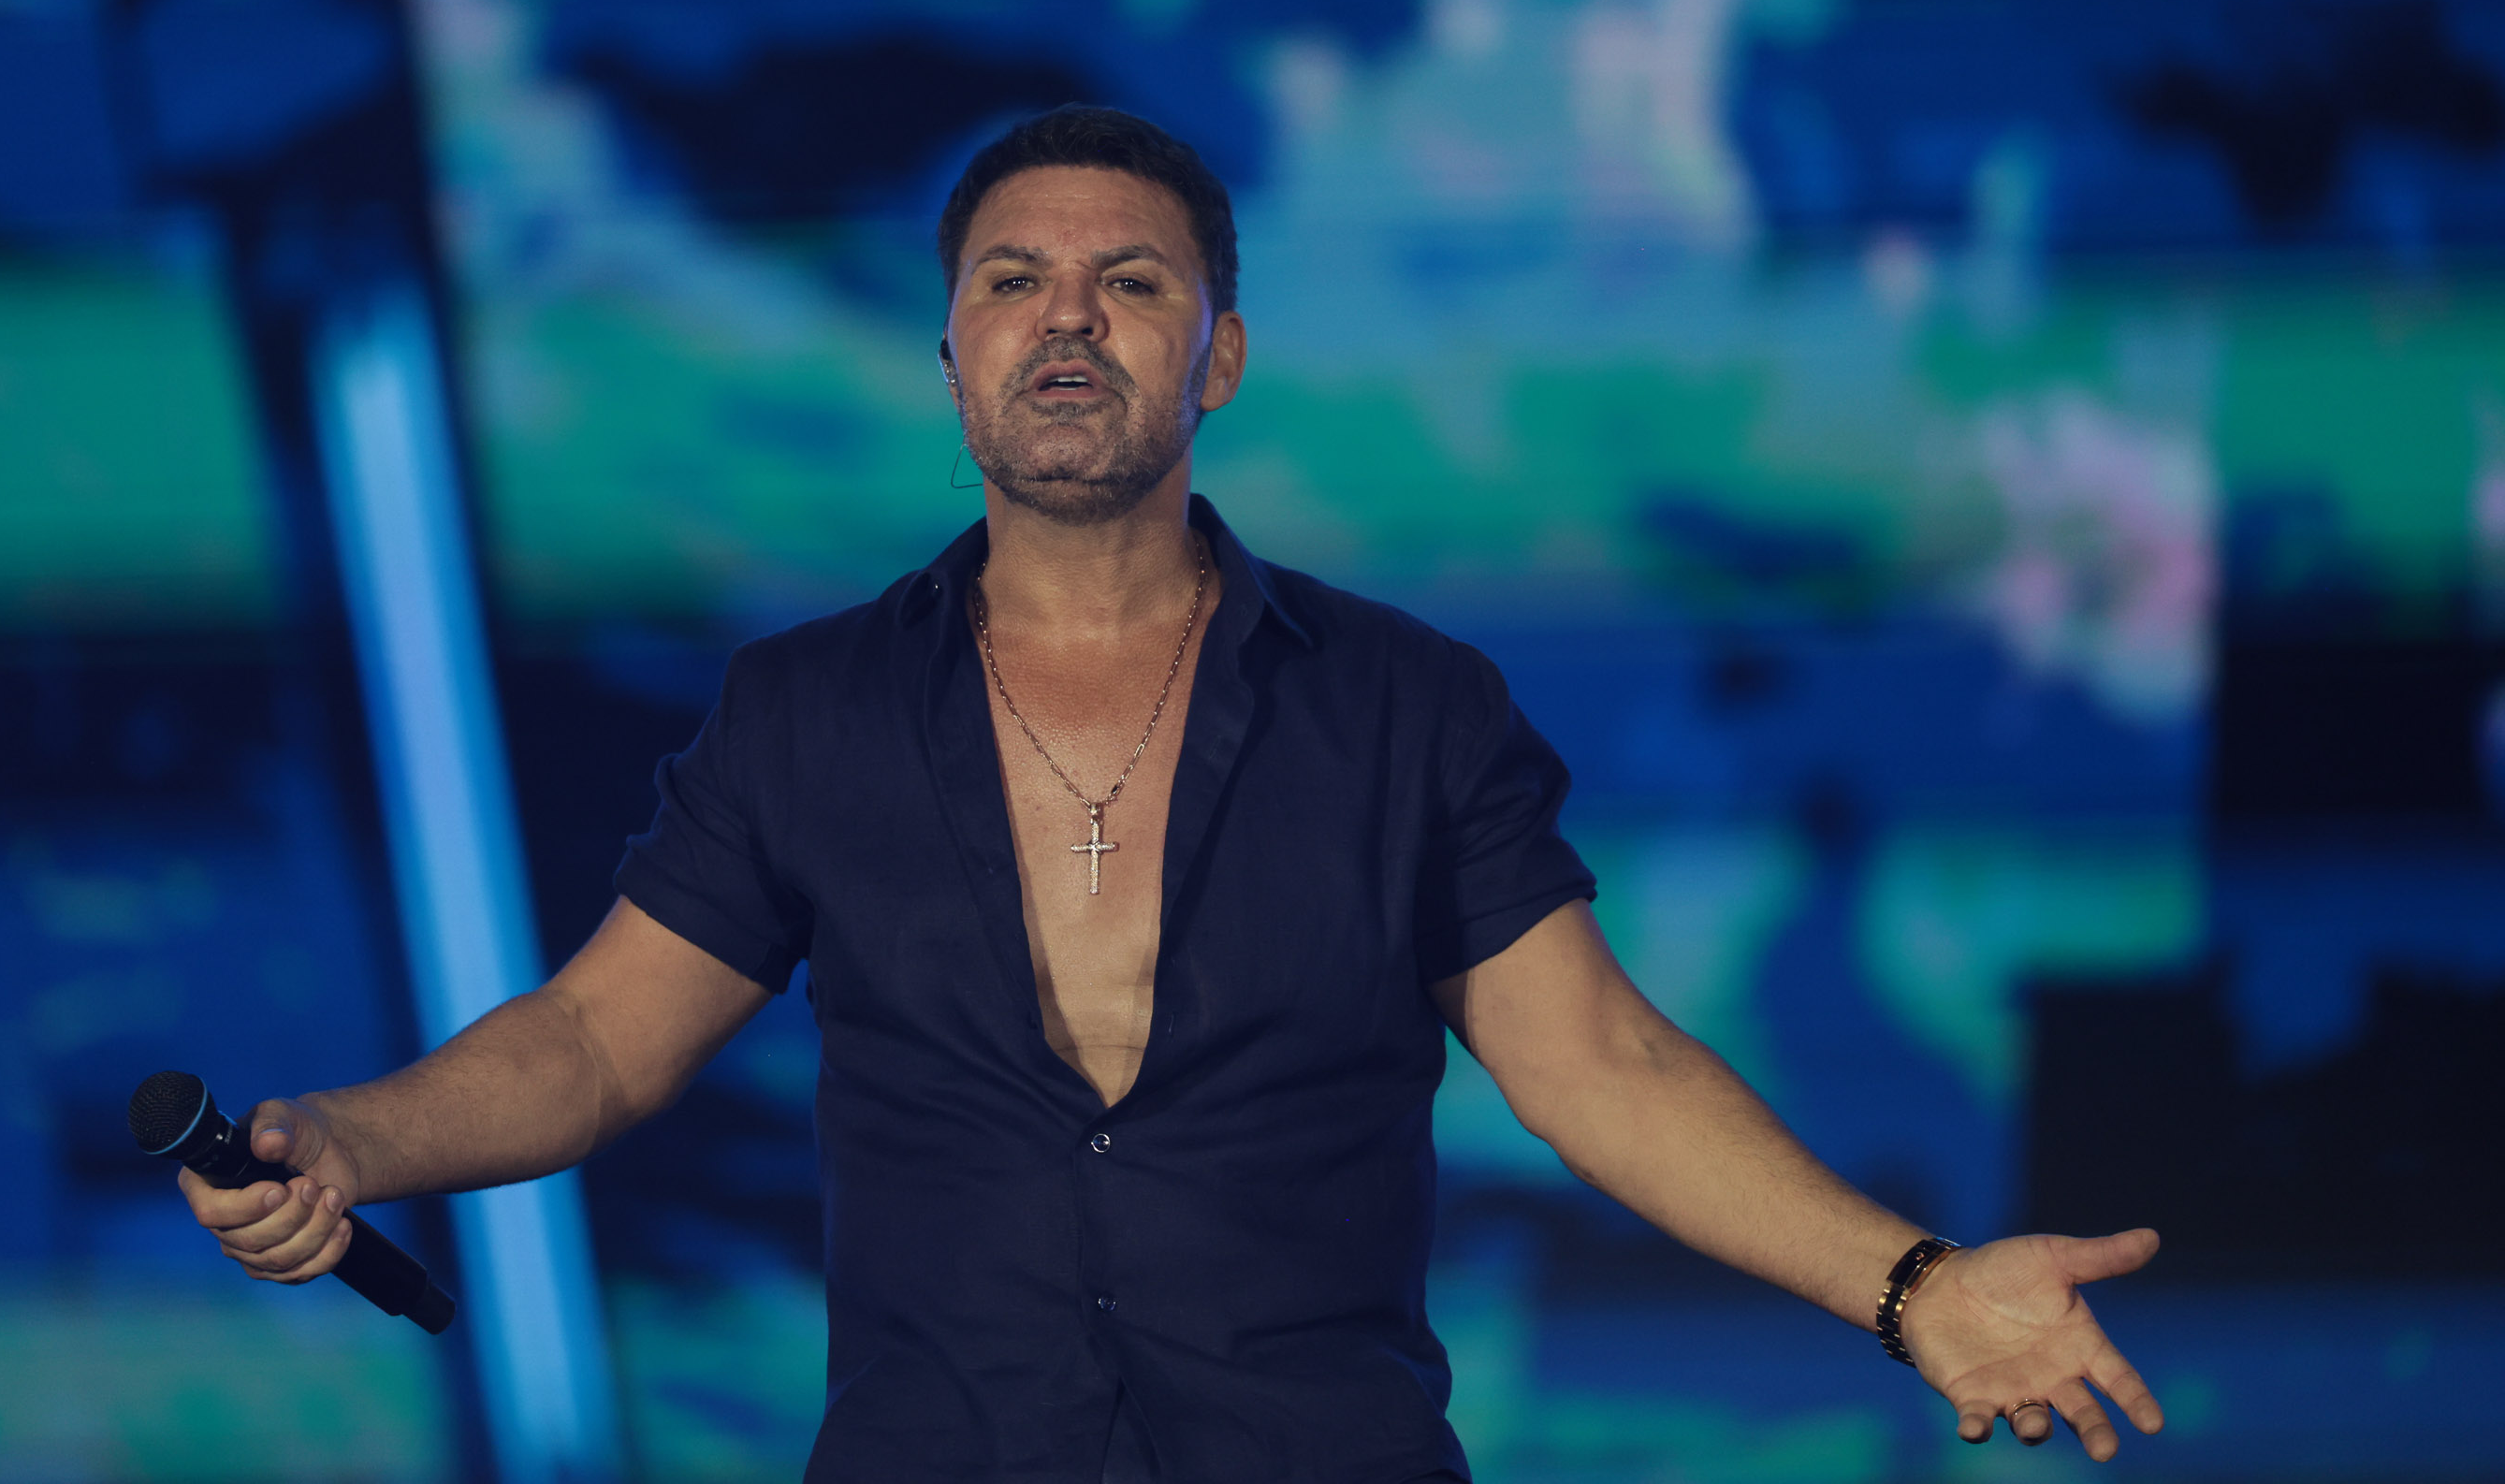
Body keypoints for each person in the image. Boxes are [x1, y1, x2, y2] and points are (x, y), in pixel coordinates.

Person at [182, 106, 2164, 1482]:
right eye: (1013, 281)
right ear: (951, 357)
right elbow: (600, 1041)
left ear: (1217, 357)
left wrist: (1914, 1288)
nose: (1067, 316)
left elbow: (1606, 1069)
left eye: (1130, 282)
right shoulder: (806, 713)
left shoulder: (1407, 706)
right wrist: (351, 1138)